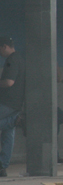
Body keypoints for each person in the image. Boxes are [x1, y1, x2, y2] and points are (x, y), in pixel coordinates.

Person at [0, 37, 25, 177]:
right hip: (16, 102)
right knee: (8, 134)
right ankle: (2, 165)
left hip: (7, 101)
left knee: (9, 127)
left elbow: (9, 82)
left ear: (4, 47)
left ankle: (14, 120)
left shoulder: (12, 60)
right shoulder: (20, 58)